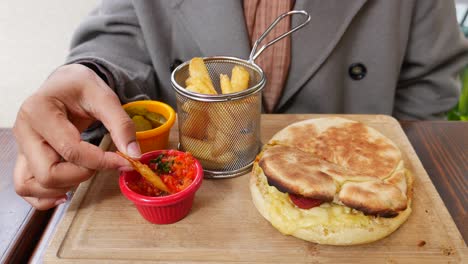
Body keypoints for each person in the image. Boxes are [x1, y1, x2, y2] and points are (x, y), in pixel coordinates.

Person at [13, 0, 468, 210]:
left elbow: (429, 84)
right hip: (207, 186)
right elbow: (125, 28)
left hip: (354, 181)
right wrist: (91, 71)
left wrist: (376, 166)